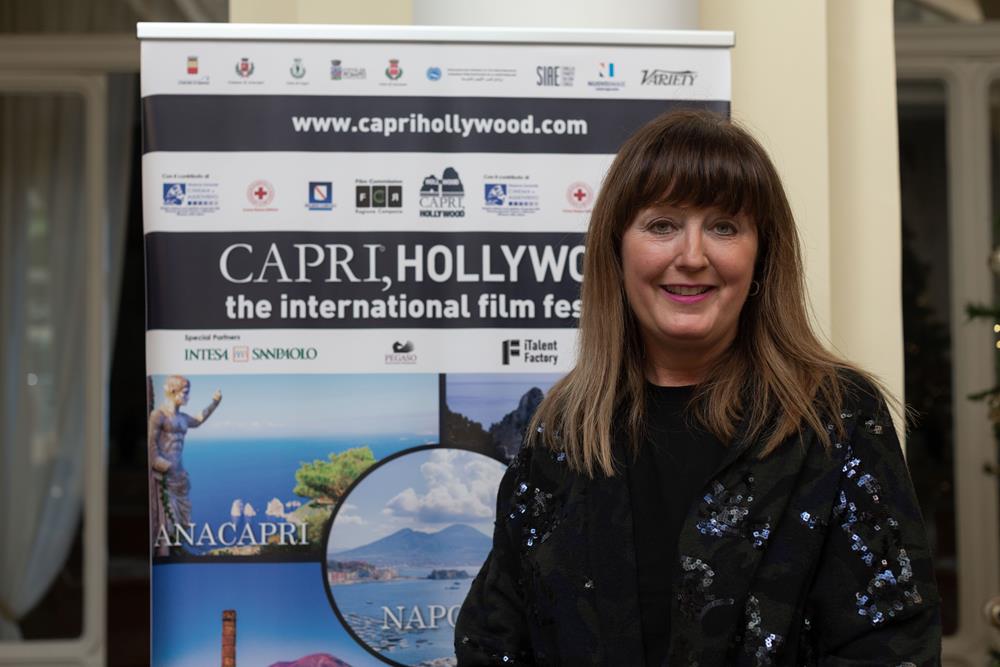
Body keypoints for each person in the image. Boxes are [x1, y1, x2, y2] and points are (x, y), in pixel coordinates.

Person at [454, 109, 941, 665]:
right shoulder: (564, 431)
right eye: (662, 225)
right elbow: (491, 640)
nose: (691, 256)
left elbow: (894, 647)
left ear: (762, 256)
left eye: (724, 227)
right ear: (617, 250)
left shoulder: (836, 416)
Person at [148, 375, 221, 556]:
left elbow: (199, 419)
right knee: (167, 520)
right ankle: (165, 554)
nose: (188, 396)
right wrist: (164, 466)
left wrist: (214, 403)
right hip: (165, 475)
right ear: (173, 391)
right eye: (185, 392)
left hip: (180, 476)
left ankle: (176, 550)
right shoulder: (158, 415)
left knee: (180, 521)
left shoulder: (183, 418)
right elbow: (151, 447)